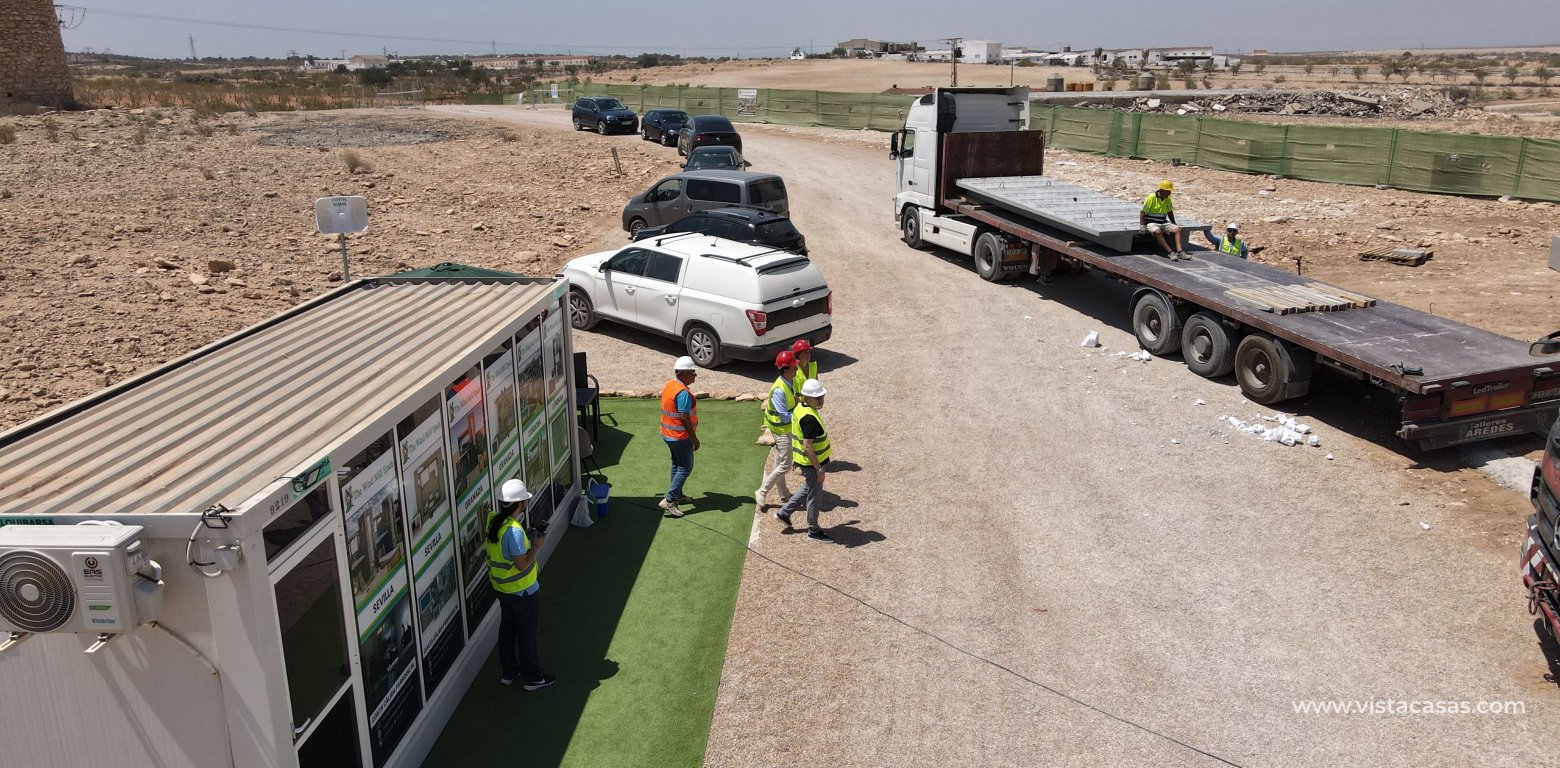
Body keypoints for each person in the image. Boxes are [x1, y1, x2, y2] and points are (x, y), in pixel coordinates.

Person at [487, 479, 556, 690]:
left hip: (503, 590)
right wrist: (536, 544)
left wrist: (526, 537)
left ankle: (510, 672)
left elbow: (506, 551)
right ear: (521, 504)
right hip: (522, 592)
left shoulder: (494, 521)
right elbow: (522, 565)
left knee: (507, 631)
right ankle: (533, 678)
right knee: (527, 635)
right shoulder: (514, 531)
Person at [775, 378, 833, 543]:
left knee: (808, 488)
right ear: (807, 398)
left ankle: (784, 513)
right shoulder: (809, 418)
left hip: (804, 461)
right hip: (812, 463)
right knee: (815, 496)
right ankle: (813, 530)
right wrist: (819, 468)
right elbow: (808, 447)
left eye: (822, 396)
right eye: (818, 398)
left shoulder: (800, 408)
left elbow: (798, 437)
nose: (821, 400)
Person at [754, 351, 798, 510]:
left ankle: (784, 494)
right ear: (785, 369)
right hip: (781, 430)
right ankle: (762, 491)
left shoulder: (788, 381)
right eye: (794, 367)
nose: (796, 369)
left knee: (779, 462)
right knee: (785, 465)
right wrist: (801, 413)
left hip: (782, 429)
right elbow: (785, 416)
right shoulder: (780, 389)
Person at [659, 355, 700, 517]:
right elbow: (684, 417)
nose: (694, 375)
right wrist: (694, 439)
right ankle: (669, 500)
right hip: (680, 437)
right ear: (682, 374)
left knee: (677, 464)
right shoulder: (682, 393)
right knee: (685, 467)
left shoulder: (670, 384)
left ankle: (678, 495)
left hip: (668, 434)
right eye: (692, 372)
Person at [1141, 180, 1186, 261]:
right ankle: (1170, 252)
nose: (1170, 193)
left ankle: (1180, 251)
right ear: (1162, 190)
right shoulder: (1151, 198)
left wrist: (1173, 223)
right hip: (1152, 222)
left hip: (1163, 222)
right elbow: (1143, 212)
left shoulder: (1167, 199)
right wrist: (1142, 225)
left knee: (1178, 229)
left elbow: (1169, 211)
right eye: (1168, 191)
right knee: (1158, 232)